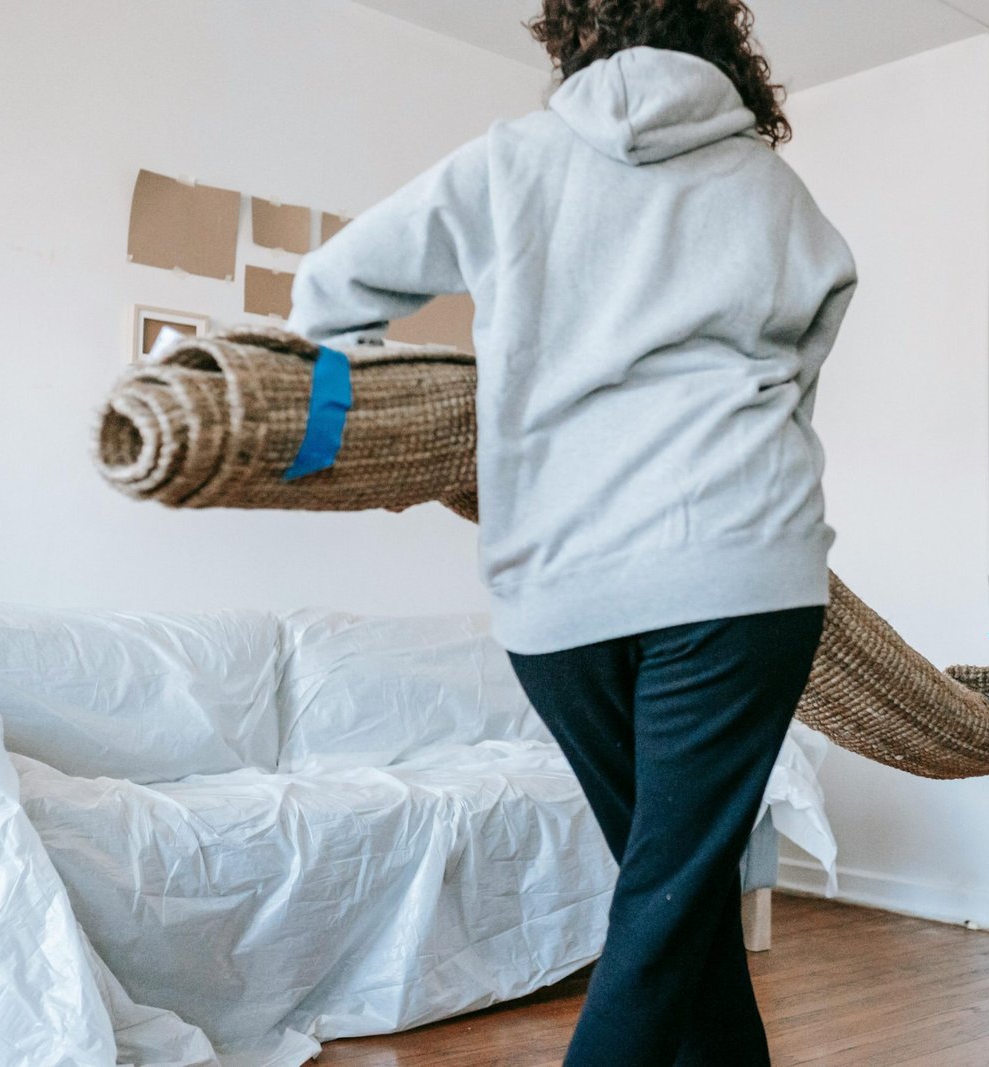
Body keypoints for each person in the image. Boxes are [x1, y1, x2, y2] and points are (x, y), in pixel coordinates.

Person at [287, 2, 856, 1063]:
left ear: (573, 36)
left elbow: (327, 292)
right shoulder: (775, 191)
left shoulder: (512, 160)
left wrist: (343, 429)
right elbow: (800, 382)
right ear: (720, 40)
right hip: (742, 570)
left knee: (671, 895)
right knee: (670, 904)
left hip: (558, 588)